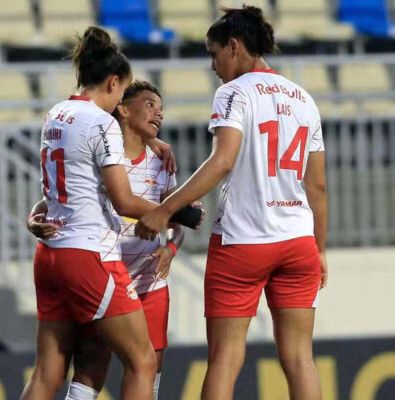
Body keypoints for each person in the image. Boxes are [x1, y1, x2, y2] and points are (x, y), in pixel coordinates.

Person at [135, 6, 328, 400]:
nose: (212, 65)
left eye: (213, 53)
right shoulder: (304, 98)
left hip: (244, 241)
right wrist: (320, 250)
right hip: (298, 242)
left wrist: (164, 209)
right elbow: (318, 186)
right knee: (300, 358)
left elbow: (222, 161)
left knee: (225, 358)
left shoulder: (234, 92)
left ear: (234, 46)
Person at [21, 27, 179, 400]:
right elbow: (124, 201)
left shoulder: (56, 113)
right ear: (113, 83)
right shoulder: (101, 122)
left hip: (49, 254)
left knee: (47, 372)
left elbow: (62, 187)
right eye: (122, 93)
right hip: (89, 254)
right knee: (142, 361)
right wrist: (174, 210)